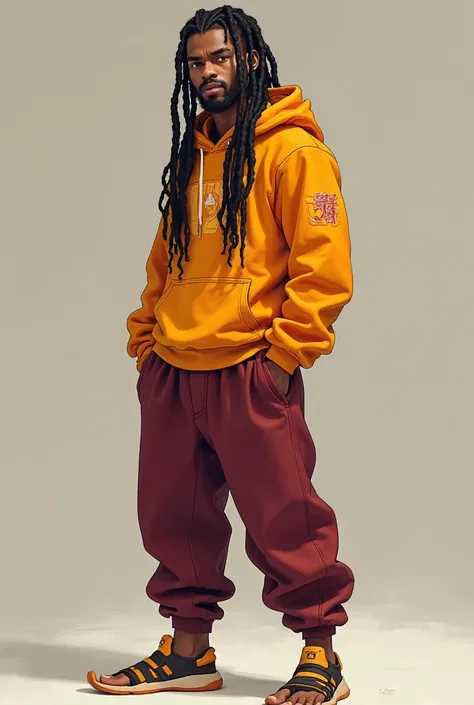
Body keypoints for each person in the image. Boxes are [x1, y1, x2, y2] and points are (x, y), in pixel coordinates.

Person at [87, 6, 355, 704]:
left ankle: (320, 655)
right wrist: (146, 342)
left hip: (250, 367)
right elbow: (164, 260)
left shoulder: (294, 153)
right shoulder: (193, 157)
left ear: (252, 60)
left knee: (285, 518)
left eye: (220, 58)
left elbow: (325, 270)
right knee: (173, 517)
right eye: (196, 62)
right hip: (175, 368)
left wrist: (283, 358)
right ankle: (189, 653)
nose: (207, 72)